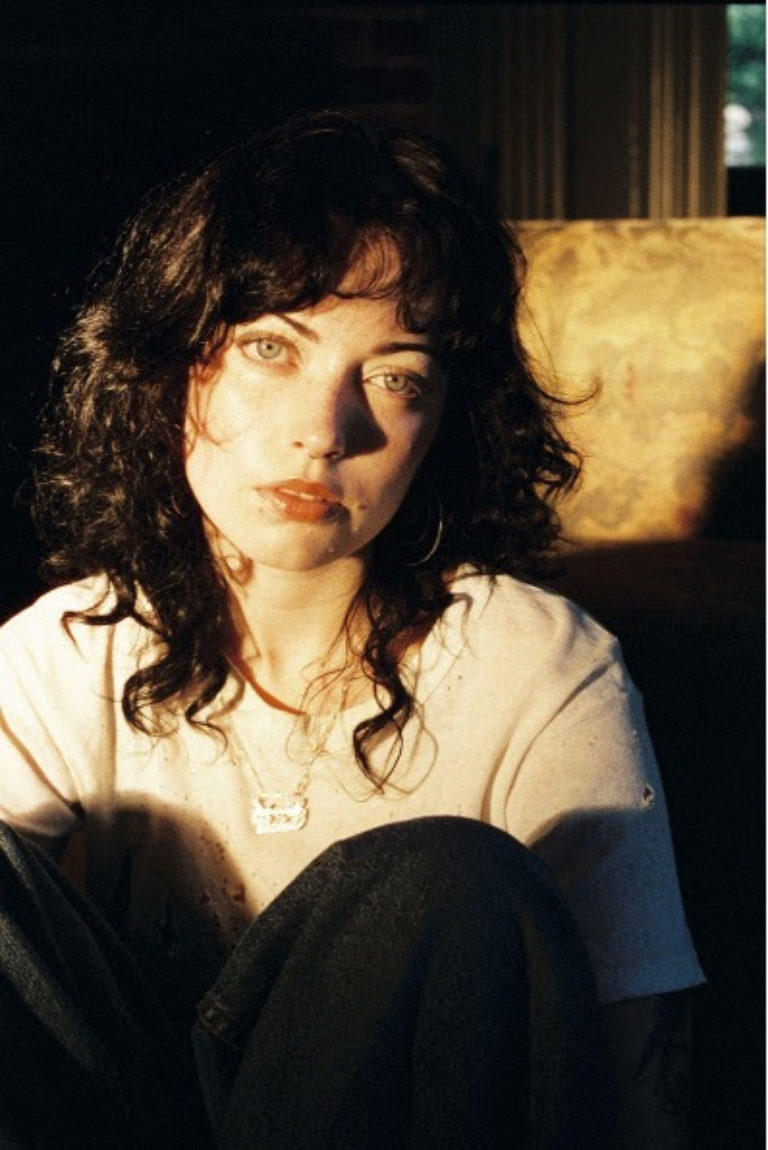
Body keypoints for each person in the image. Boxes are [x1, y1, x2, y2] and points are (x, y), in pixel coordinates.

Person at [0, 110, 703, 1147]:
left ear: (443, 422)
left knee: (439, 882)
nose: (324, 432)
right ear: (175, 367)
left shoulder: (537, 665)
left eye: (394, 376)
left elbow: (638, 1079)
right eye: (270, 349)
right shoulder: (66, 649)